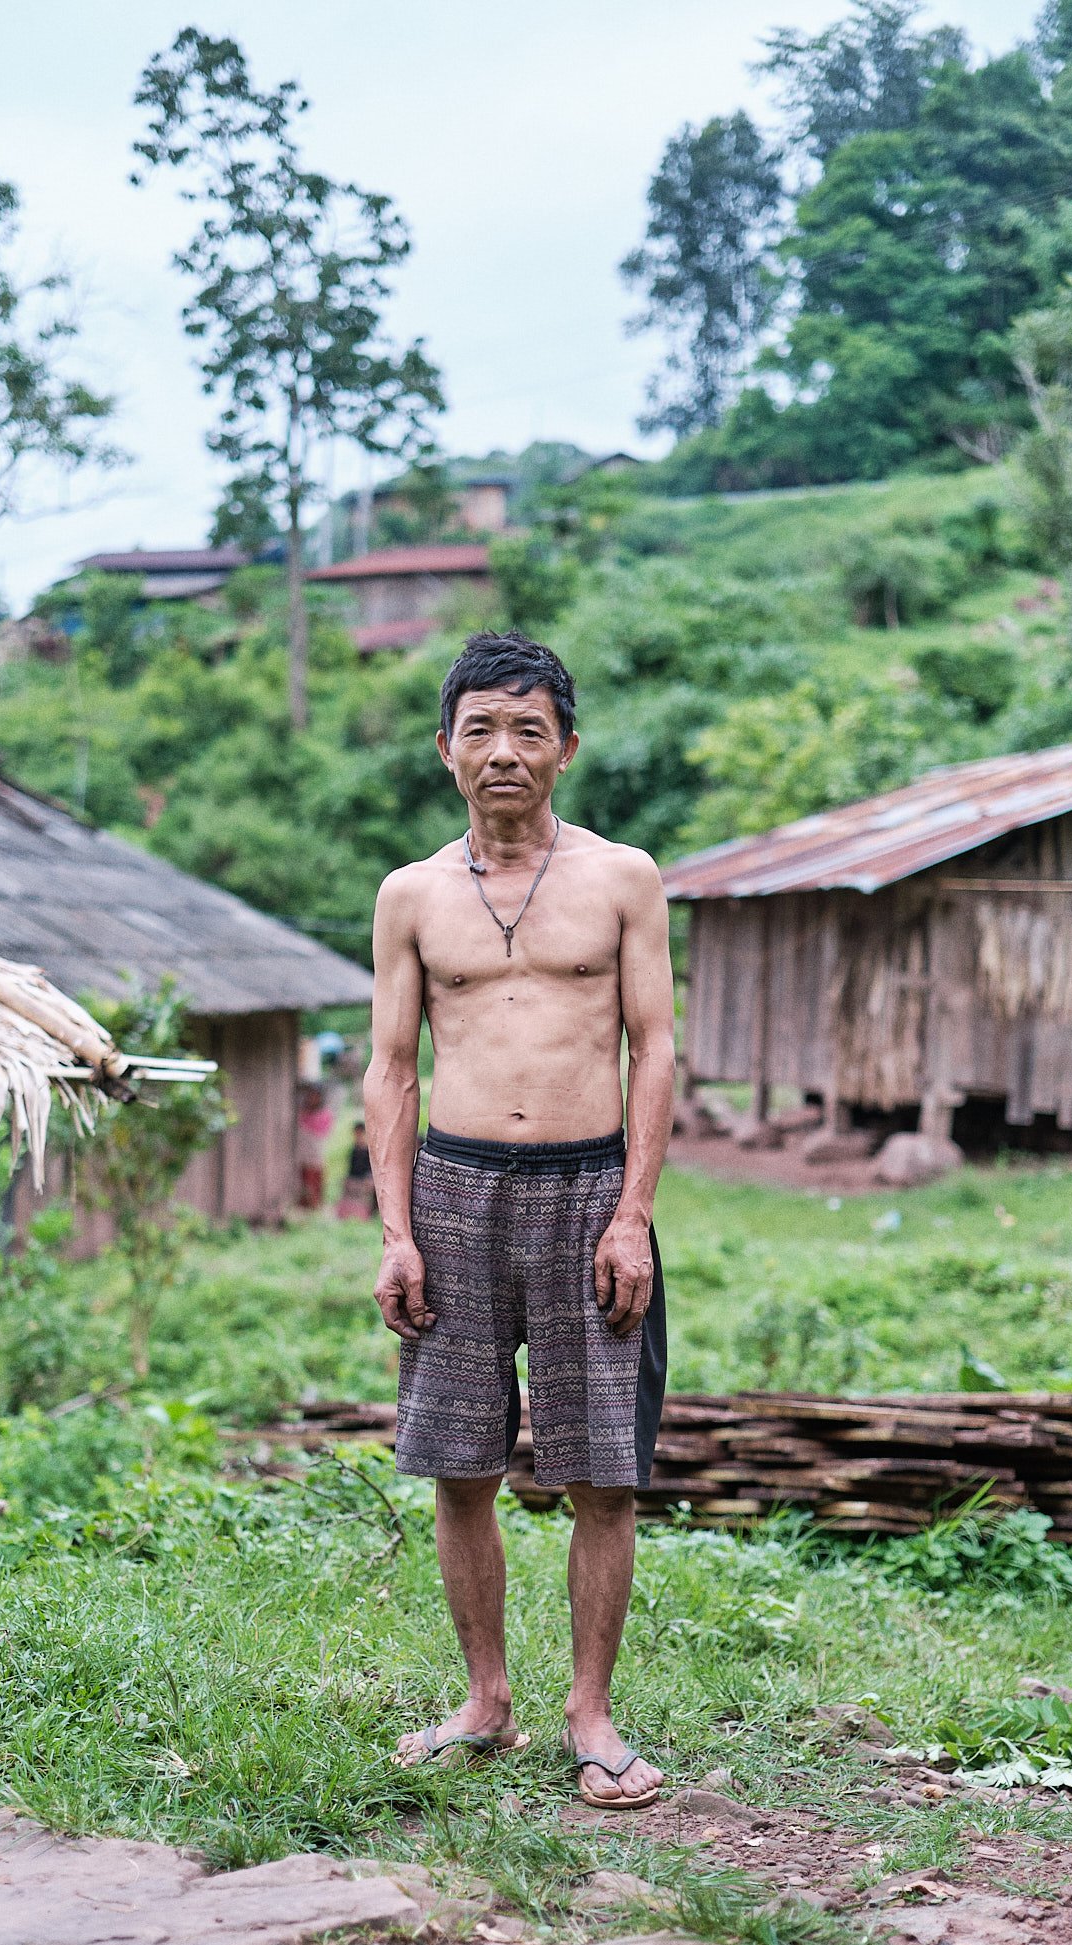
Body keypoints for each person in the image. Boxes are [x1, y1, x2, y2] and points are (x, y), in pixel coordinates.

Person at [363, 629, 675, 1810]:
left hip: (591, 1188)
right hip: (454, 1192)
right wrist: (396, 1230)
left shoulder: (623, 878)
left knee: (604, 1473)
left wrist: (633, 1212)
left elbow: (655, 1050)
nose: (504, 750)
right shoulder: (410, 896)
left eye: (529, 729)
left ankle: (591, 1713)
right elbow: (392, 1068)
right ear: (445, 748)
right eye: (481, 728)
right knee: (460, 1466)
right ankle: (485, 1699)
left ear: (567, 749)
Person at [335, 1120, 378, 1221]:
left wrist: (369, 1179)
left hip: (366, 1180)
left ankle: (366, 1213)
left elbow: (372, 1169)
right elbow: (351, 1169)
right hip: (355, 1179)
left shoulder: (369, 1151)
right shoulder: (354, 1150)